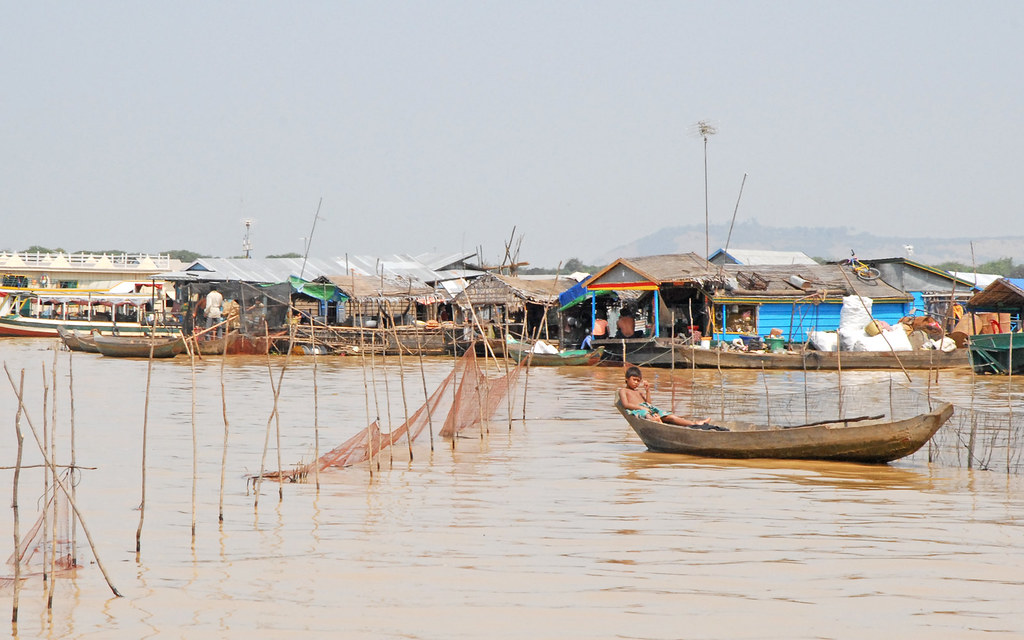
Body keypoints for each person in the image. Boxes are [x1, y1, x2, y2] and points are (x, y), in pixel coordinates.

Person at [618, 366, 722, 429]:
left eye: (638, 380)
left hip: (648, 409)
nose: (636, 382)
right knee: (645, 413)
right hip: (638, 411)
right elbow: (626, 404)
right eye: (634, 380)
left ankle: (695, 423)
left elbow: (649, 404)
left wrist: (648, 390)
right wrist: (641, 408)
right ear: (627, 379)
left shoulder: (639, 392)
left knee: (671, 416)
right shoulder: (623, 390)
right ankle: (654, 420)